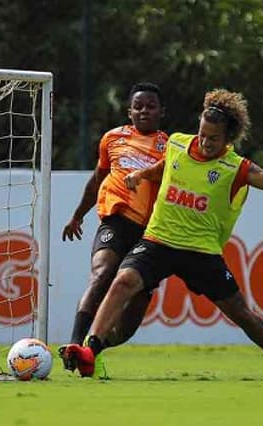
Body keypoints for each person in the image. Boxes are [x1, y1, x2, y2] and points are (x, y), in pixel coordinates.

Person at [63, 88, 263, 380]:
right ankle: (90, 351)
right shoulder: (176, 144)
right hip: (159, 241)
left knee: (239, 311)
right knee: (123, 280)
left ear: (228, 139)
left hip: (200, 252)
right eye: (202, 134)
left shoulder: (235, 167)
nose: (205, 142)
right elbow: (162, 168)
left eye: (214, 138)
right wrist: (139, 175)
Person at [58, 82, 168, 378]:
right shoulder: (113, 139)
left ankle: (93, 350)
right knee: (102, 273)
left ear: (161, 112)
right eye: (138, 106)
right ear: (129, 111)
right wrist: (77, 215)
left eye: (150, 106)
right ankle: (73, 344)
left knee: (129, 322)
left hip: (150, 232)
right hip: (116, 221)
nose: (144, 110)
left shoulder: (170, 147)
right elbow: (97, 179)